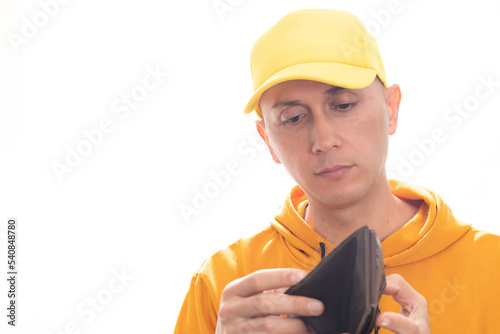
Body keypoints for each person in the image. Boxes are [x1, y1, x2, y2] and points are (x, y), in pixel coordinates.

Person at [174, 8, 500, 333]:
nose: (324, 140)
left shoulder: (491, 268)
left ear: (391, 109)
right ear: (268, 140)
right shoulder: (226, 284)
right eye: (293, 118)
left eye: (343, 105)